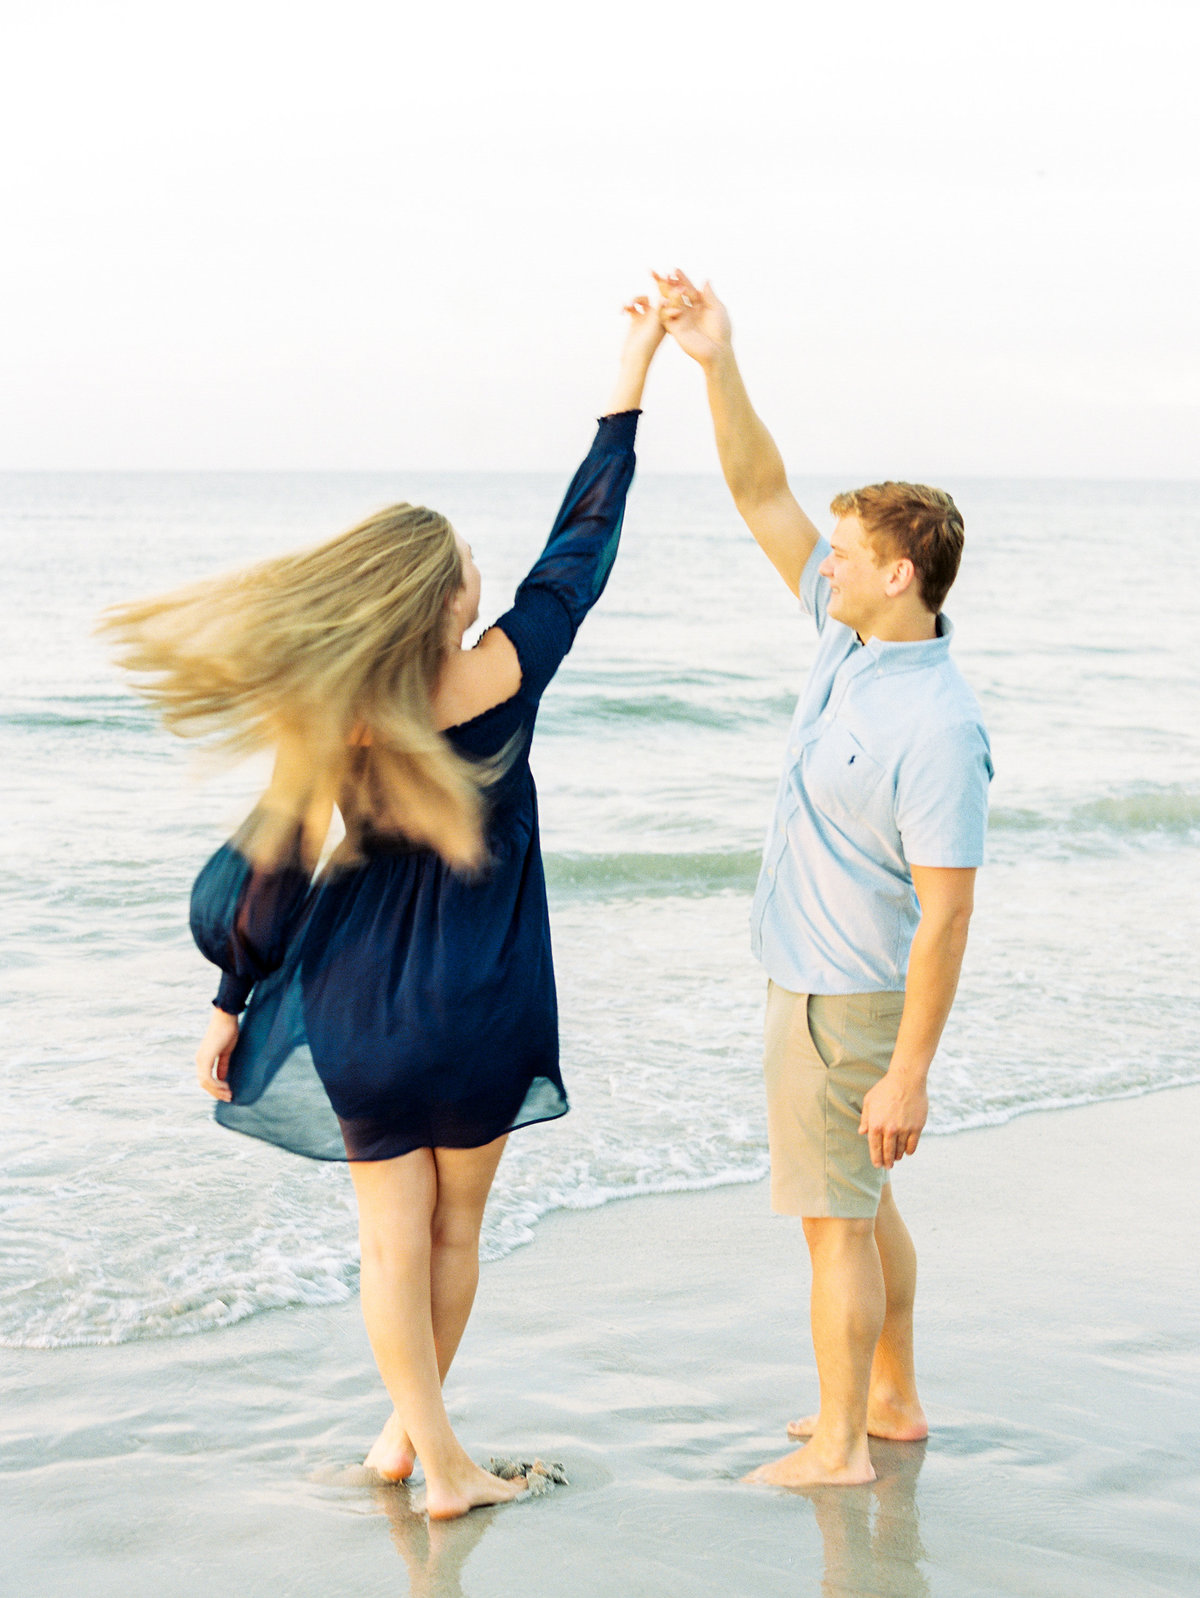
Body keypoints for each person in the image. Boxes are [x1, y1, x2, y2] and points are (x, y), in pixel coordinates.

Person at [100, 296, 666, 1518]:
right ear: (443, 593)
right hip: (484, 992)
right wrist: (629, 382)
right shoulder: (508, 670)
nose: (481, 567)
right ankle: (438, 1460)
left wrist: (230, 998)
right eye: (465, 558)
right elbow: (583, 545)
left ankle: (410, 1443)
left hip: (361, 1000)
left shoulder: (331, 718)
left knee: (386, 1243)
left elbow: (274, 873)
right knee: (455, 1235)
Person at [655, 269, 992, 1488]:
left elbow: (949, 911)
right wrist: (715, 359)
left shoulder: (938, 726)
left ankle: (842, 1444)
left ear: (902, 572)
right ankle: (888, 1399)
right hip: (806, 982)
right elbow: (758, 490)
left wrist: (909, 1065)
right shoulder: (849, 636)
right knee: (861, 1204)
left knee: (835, 1221)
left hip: (844, 1001)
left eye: (848, 553)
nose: (826, 563)